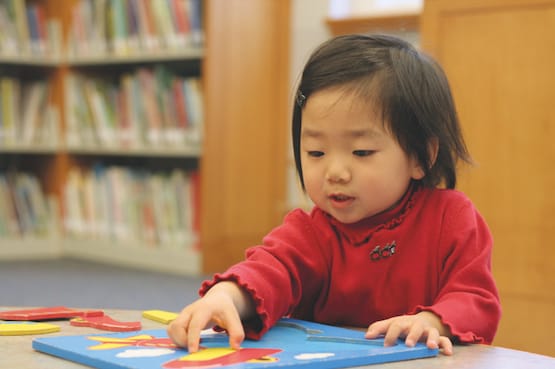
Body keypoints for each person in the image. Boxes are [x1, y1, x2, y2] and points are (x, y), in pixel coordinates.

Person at [168, 34, 501, 356]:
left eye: (361, 152)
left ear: (421, 157)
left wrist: (432, 322)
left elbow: (474, 297)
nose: (335, 172)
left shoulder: (451, 218)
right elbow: (272, 269)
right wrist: (227, 295)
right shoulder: (311, 232)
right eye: (316, 152)